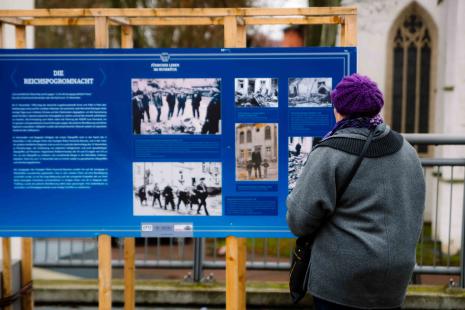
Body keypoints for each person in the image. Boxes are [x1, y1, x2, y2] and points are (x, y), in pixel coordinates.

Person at [286, 74, 425, 310]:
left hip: (342, 282)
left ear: (338, 109)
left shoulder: (330, 154)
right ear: (376, 108)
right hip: (394, 280)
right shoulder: (407, 150)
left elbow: (299, 222)